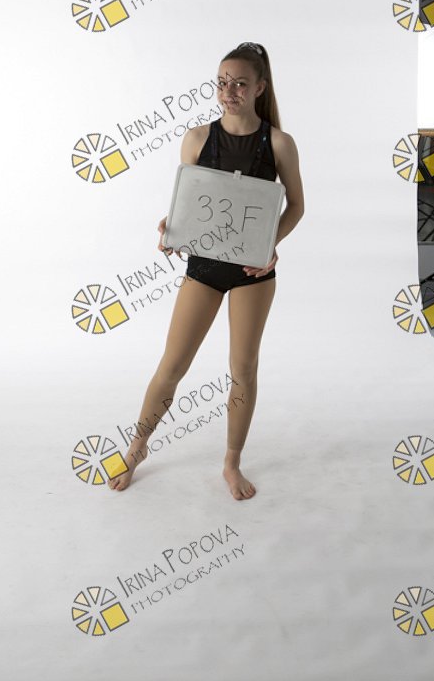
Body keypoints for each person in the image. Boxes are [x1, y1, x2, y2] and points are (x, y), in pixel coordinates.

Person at [108, 41, 305, 500]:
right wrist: (172, 226)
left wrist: (269, 245)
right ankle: (137, 448)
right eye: (221, 83)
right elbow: (192, 204)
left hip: (252, 273)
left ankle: (232, 463)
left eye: (239, 84)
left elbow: (296, 206)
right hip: (204, 269)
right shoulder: (197, 138)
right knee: (172, 365)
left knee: (243, 369)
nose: (228, 92)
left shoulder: (278, 143)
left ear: (260, 88)